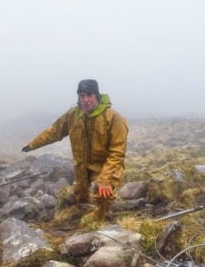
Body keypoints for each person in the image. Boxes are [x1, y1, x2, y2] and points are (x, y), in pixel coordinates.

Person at [21, 79, 128, 219]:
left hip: (105, 167)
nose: (85, 100)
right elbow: (54, 131)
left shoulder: (114, 119)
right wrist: (32, 145)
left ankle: (99, 221)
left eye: (89, 95)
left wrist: (105, 179)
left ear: (97, 96)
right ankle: (80, 217)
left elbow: (117, 154)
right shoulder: (73, 115)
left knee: (102, 193)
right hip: (81, 168)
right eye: (82, 96)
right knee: (79, 197)